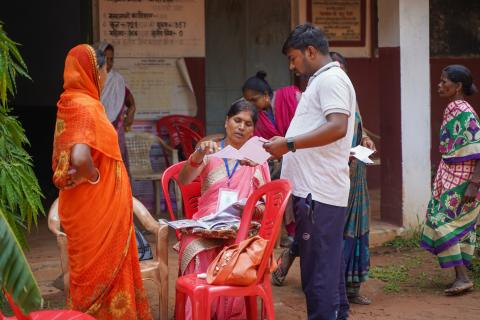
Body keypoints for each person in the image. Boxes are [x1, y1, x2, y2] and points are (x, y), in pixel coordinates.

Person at [52, 44, 151, 319]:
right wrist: (94, 175)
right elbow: (81, 156)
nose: (106, 74)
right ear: (92, 72)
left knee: (87, 271)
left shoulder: (68, 101)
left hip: (85, 204)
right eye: (103, 68)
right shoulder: (86, 106)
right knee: (104, 269)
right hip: (98, 205)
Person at [264, 23, 355, 320]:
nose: (292, 65)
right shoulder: (321, 80)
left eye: (293, 58)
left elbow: (338, 127)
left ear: (311, 51)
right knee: (325, 268)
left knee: (318, 273)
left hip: (320, 195)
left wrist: (288, 144)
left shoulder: (332, 80)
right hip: (315, 193)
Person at [177, 99, 271, 319]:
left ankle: (229, 314)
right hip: (207, 226)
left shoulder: (257, 159)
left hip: (241, 230)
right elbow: (183, 180)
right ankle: (201, 313)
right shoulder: (210, 152)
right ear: (227, 122)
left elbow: (267, 204)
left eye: (248, 124)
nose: (241, 127)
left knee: (237, 249)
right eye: (237, 120)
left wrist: (249, 210)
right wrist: (198, 154)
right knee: (192, 245)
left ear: (253, 130)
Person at [421, 64, 479, 295]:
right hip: (452, 175)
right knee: (453, 224)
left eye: (444, 81)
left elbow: (477, 147)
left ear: (458, 87)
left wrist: (474, 183)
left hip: (463, 178)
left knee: (441, 221)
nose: (439, 84)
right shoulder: (454, 107)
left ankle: (463, 277)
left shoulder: (462, 110)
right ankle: (462, 274)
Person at [242, 71, 300, 243]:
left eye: (254, 100)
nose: (251, 104)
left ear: (266, 95)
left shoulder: (291, 96)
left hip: (301, 152)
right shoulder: (257, 116)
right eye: (248, 101)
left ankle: (300, 233)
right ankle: (287, 232)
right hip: (277, 160)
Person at [96, 42, 136, 166]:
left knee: (118, 167)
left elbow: (130, 101)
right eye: (105, 59)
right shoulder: (91, 78)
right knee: (101, 166)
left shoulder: (118, 79)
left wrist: (132, 110)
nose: (108, 62)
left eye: (111, 59)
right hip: (97, 131)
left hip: (116, 130)